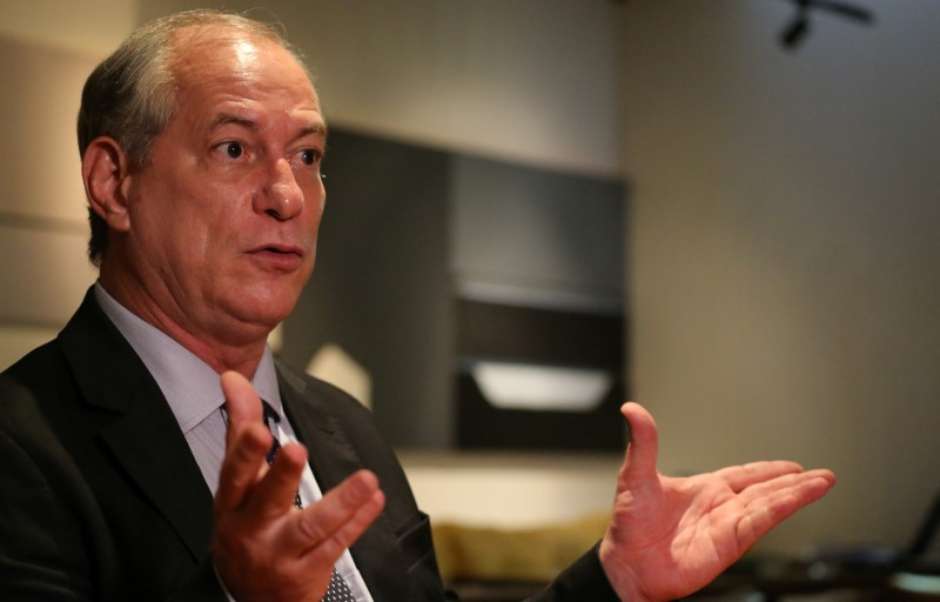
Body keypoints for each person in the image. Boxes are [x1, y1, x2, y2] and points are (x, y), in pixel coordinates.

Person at [0, 9, 836, 602]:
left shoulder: (345, 428)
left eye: (308, 156)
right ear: (115, 182)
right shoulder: (21, 447)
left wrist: (615, 580)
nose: (287, 196)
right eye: (234, 148)